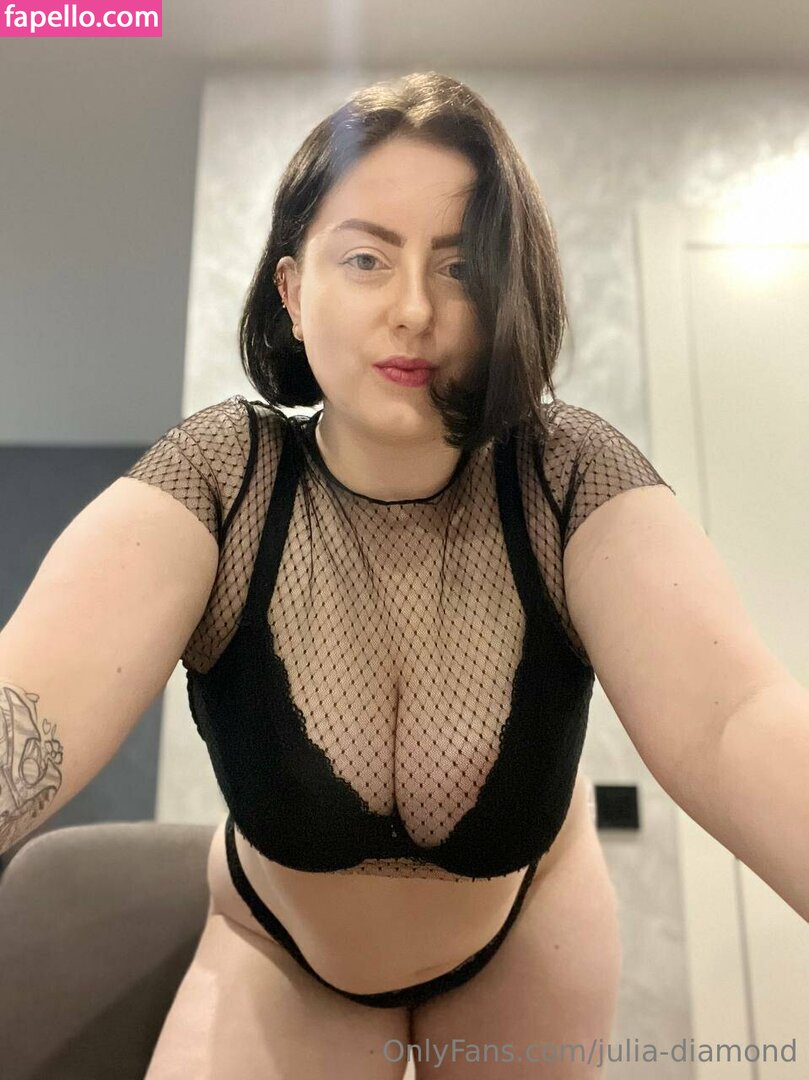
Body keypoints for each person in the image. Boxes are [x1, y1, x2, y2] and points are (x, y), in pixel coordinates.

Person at [1, 72, 805, 1079]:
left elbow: (731, 720)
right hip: (277, 949)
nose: (415, 309)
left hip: (523, 931)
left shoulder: (563, 475)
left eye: (460, 266)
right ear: (294, 293)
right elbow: (29, 707)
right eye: (366, 258)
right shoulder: (221, 476)